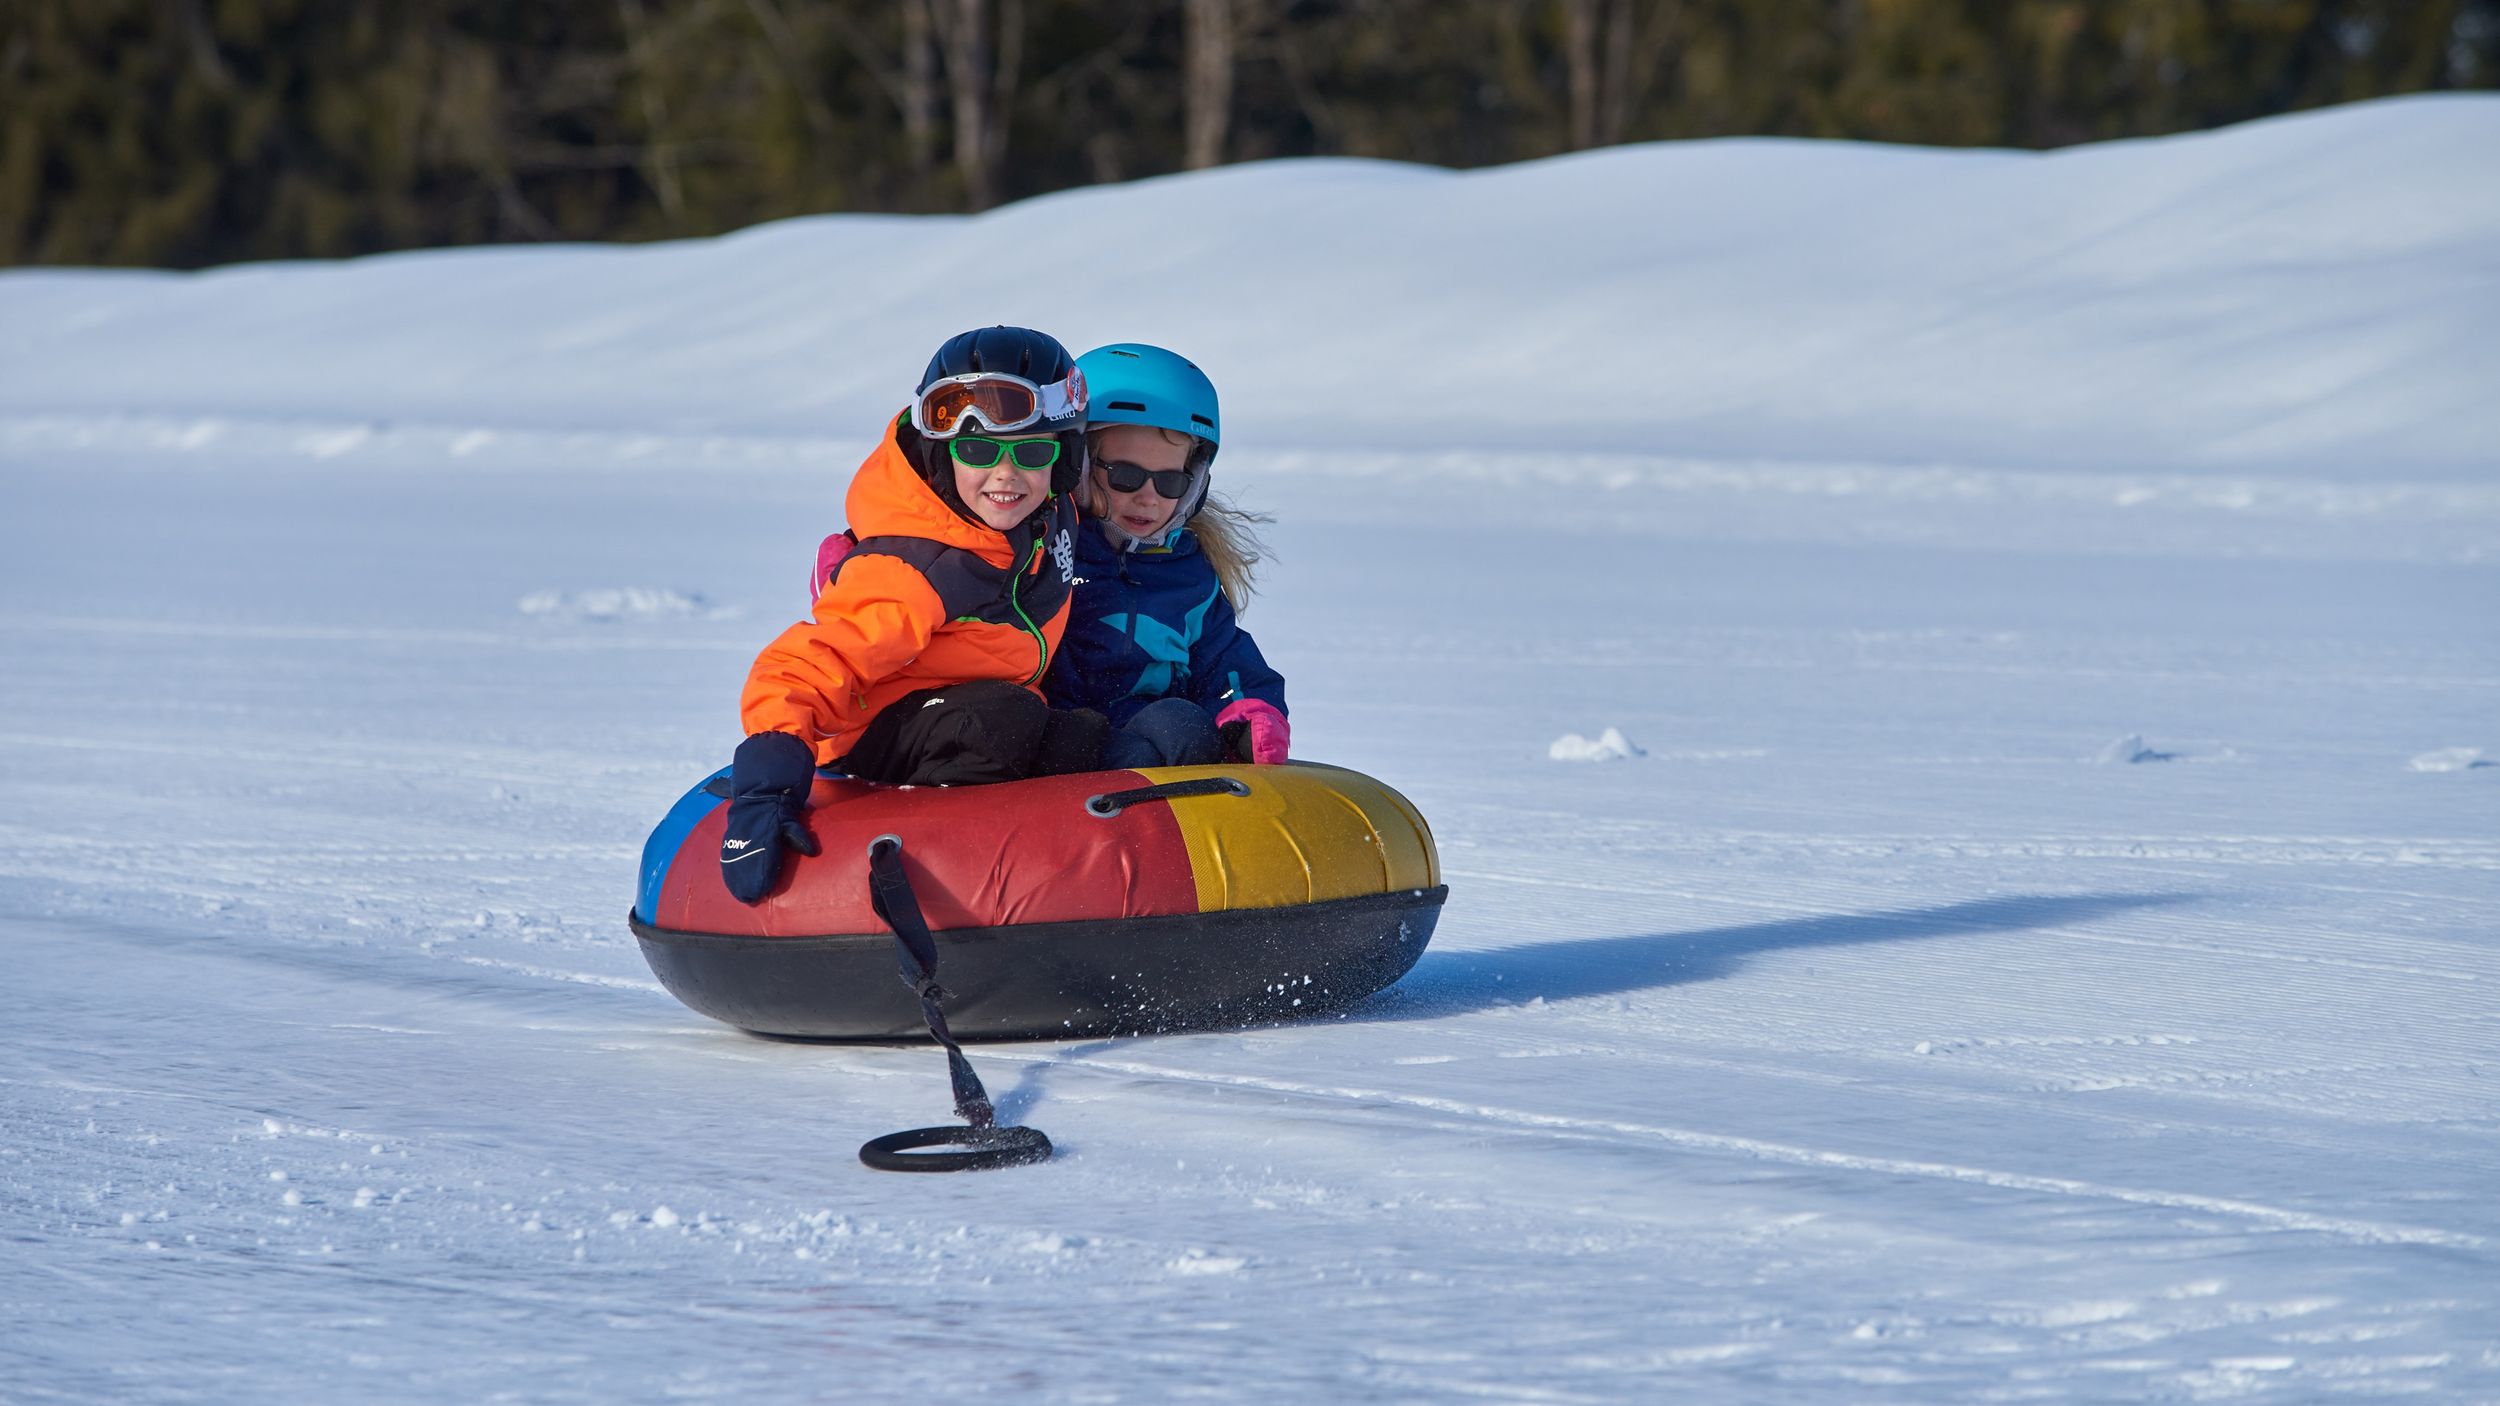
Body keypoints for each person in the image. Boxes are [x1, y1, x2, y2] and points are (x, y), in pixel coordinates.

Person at [721, 326, 1107, 904]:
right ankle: (962, 881)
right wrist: (766, 789)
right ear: (941, 454)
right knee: (1000, 724)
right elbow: (804, 666)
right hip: (876, 730)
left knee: (1085, 739)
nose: (1005, 475)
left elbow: (1140, 475)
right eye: (977, 452)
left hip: (976, 705)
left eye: (1030, 452)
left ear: (1065, 462)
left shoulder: (1046, 518)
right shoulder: (918, 567)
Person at [1046, 343, 1288, 770]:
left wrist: (1248, 711)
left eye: (1171, 482)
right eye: (1125, 476)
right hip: (1050, 741)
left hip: (1154, 744)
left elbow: (1225, 659)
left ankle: (1188, 829)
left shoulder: (1189, 576)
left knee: (1179, 724)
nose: (1148, 498)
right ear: (1078, 466)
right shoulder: (1043, 553)